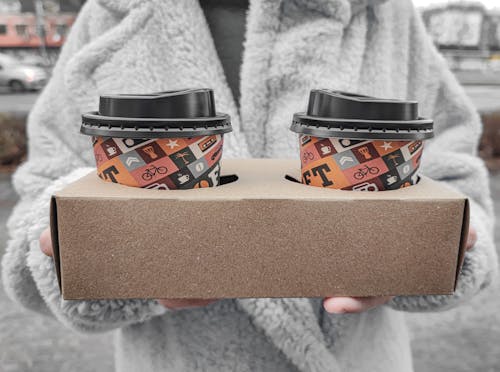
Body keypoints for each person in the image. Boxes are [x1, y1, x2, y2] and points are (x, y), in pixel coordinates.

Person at [2, 0, 496, 371]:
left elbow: (455, 180)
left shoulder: (379, 11)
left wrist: (433, 251)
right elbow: (42, 207)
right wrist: (83, 258)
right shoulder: (112, 14)